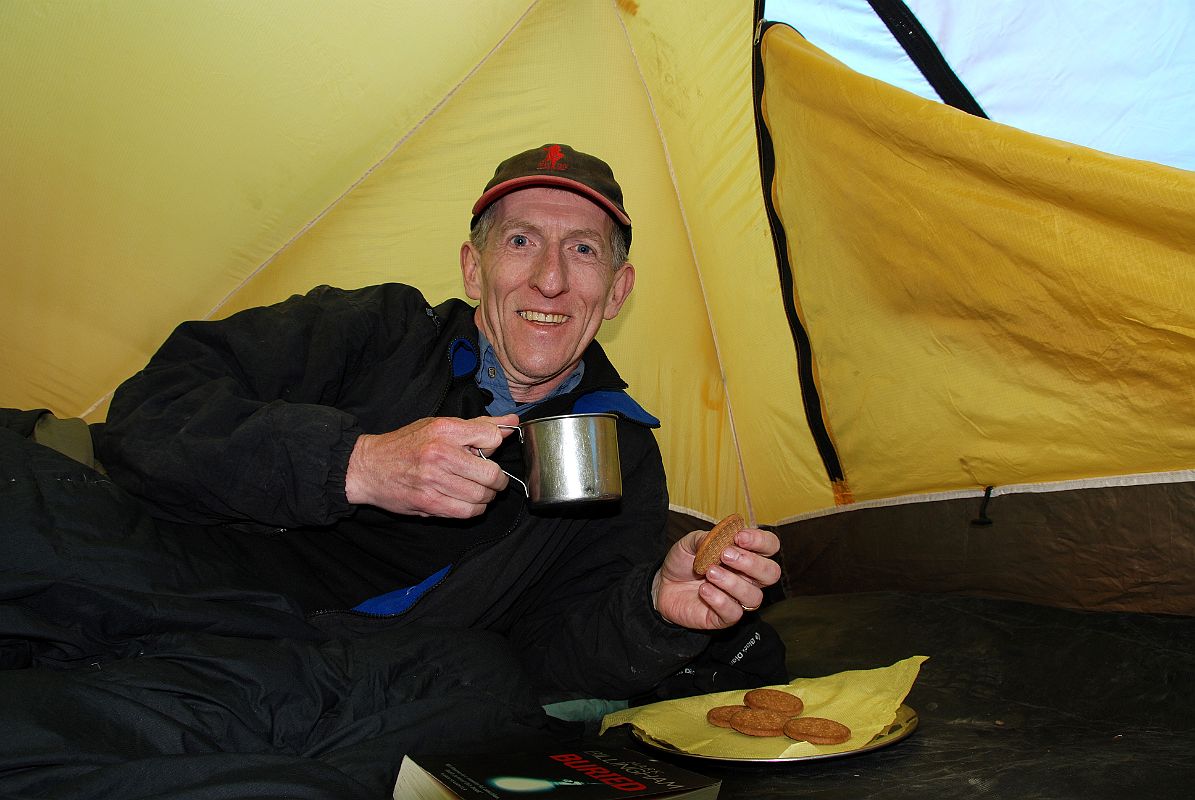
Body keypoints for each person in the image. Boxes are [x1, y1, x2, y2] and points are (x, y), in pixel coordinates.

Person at [2, 144, 781, 797]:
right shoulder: (377, 330)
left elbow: (550, 654)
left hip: (295, 665)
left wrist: (655, 610)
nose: (549, 279)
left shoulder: (614, 454)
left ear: (616, 289)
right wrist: (354, 462)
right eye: (519, 242)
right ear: (473, 269)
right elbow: (156, 407)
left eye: (582, 250)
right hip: (141, 546)